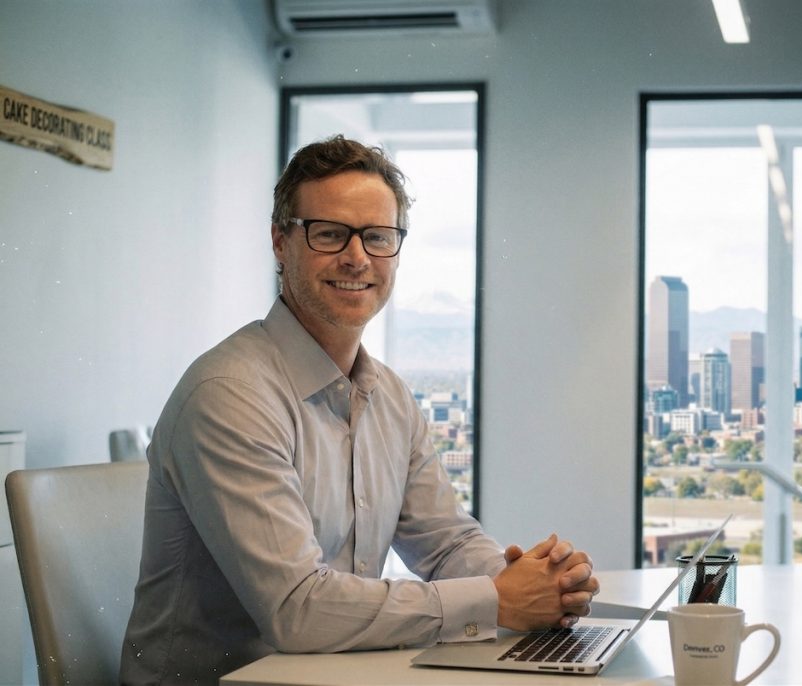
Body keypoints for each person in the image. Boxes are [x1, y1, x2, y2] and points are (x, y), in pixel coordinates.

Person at [120, 135, 599, 684]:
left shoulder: (388, 395)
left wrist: (536, 584)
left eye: (377, 237)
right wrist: (496, 600)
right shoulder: (230, 395)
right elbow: (298, 610)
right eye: (328, 234)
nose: (357, 257)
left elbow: (446, 542)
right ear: (280, 242)